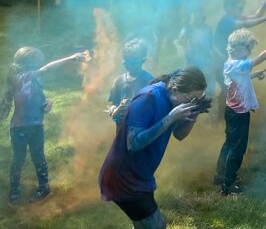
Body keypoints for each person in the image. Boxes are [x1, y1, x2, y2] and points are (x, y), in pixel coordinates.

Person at [98, 67, 207, 228]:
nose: (191, 103)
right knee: (156, 226)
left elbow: (179, 135)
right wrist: (170, 118)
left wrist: (194, 112)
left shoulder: (173, 99)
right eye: (191, 99)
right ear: (175, 89)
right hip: (123, 177)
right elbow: (133, 144)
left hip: (140, 175)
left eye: (196, 100)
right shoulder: (148, 97)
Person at [1, 47, 87, 205]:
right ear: (29, 64)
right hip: (20, 127)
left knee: (37, 157)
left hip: (35, 126)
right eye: (37, 62)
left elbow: (36, 98)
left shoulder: (34, 80)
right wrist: (71, 58)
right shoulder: (22, 77)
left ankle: (43, 187)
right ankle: (14, 190)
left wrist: (47, 103)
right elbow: (48, 68)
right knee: (18, 159)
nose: (41, 65)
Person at [215, 29, 266, 195]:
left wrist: (253, 75)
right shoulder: (238, 64)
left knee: (229, 144)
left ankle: (220, 175)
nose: (250, 52)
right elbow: (262, 57)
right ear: (235, 47)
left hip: (232, 111)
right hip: (238, 113)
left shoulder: (230, 63)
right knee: (238, 148)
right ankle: (228, 184)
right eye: (247, 49)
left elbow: (238, 79)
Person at [108, 39, 155, 123]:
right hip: (122, 125)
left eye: (133, 63)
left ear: (142, 61)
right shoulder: (119, 81)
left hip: (142, 125)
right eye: (127, 62)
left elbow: (154, 105)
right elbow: (114, 103)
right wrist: (114, 110)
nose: (130, 66)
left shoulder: (149, 80)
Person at [174, 7, 214, 85]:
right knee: (193, 82)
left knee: (207, 82)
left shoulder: (208, 29)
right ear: (191, 19)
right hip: (192, 61)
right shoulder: (188, 29)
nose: (197, 20)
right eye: (195, 18)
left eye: (199, 18)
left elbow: (211, 45)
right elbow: (179, 41)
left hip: (206, 61)